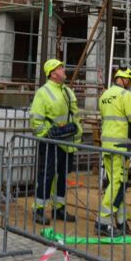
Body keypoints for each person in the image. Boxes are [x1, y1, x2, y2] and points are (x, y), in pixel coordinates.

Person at [96, 67, 131, 235]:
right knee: (118, 184)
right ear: (124, 79)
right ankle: (103, 221)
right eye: (130, 82)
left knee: (115, 184)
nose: (130, 85)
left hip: (107, 146)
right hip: (119, 147)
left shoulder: (104, 95)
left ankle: (121, 220)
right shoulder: (125, 95)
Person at [30, 58, 82, 225]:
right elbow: (36, 119)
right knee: (47, 176)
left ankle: (58, 208)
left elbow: (75, 116)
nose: (63, 70)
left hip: (67, 143)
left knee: (61, 177)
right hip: (50, 142)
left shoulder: (67, 91)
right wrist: (46, 134)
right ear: (53, 73)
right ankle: (39, 210)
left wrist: (75, 137)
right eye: (60, 68)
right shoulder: (43, 92)